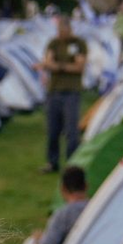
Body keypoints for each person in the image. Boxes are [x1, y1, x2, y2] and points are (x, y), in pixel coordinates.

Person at [7, 164, 90, 244]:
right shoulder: (96, 209)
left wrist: (36, 241)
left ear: (62, 189)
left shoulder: (63, 215)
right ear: (86, 186)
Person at [40, 16, 87, 173]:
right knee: (53, 130)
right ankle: (52, 162)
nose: (61, 34)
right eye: (59, 31)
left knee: (72, 131)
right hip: (54, 92)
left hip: (71, 93)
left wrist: (57, 66)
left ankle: (72, 164)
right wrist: (66, 66)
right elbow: (47, 63)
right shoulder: (53, 43)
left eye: (63, 31)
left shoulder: (78, 44)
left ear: (69, 29)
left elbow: (79, 67)